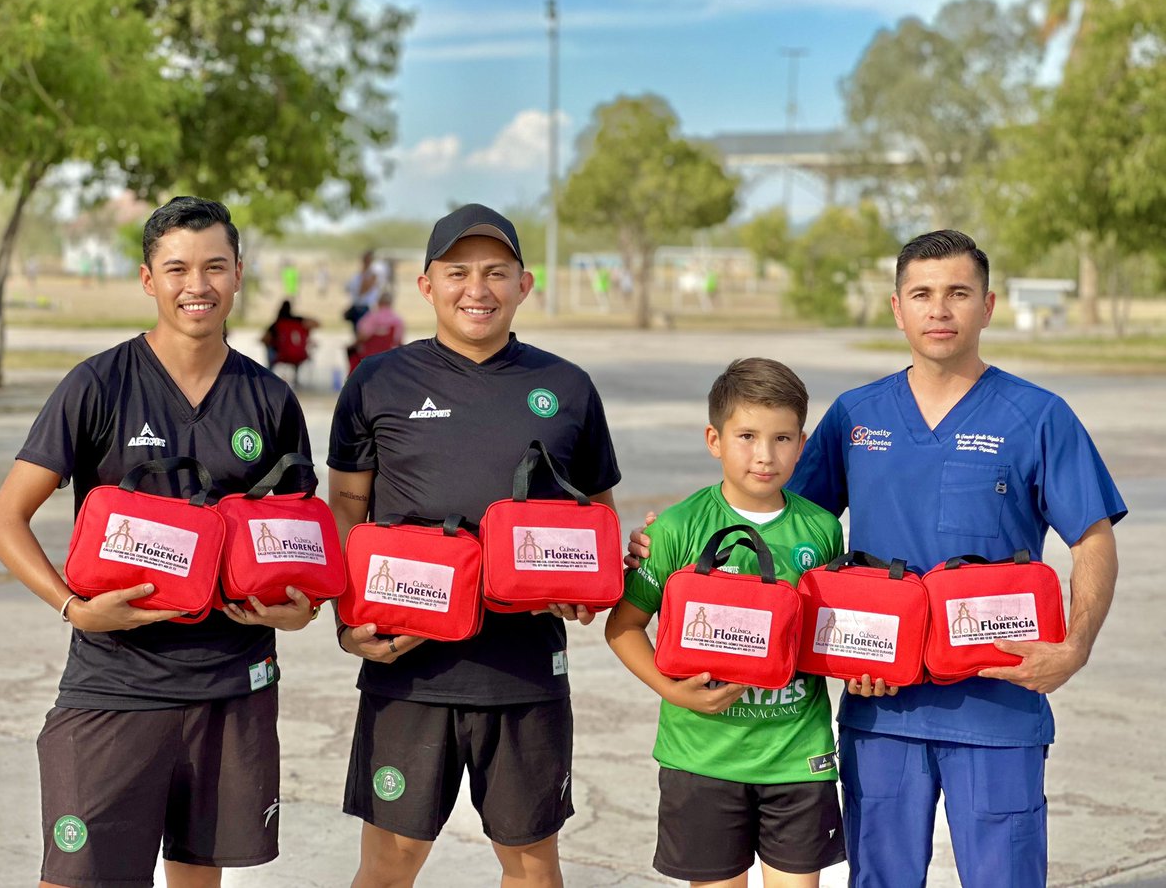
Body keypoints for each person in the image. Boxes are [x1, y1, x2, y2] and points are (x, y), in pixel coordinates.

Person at [628, 230, 1126, 888]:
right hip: (879, 707)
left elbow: (1092, 537)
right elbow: (770, 515)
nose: (939, 309)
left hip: (998, 708)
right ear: (897, 308)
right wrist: (670, 535)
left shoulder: (1037, 416)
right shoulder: (857, 416)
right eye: (922, 294)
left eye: (958, 293)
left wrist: (1076, 646)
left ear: (988, 305)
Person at [0, 196, 321, 888]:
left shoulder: (270, 400)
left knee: (199, 878)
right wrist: (73, 607)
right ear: (148, 280)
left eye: (214, 267)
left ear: (238, 275)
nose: (196, 285)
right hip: (115, 683)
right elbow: (2, 521)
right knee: (77, 879)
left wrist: (300, 610)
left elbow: (296, 546)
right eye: (177, 269)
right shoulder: (98, 384)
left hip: (233, 686)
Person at [327, 203, 621, 888]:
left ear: (525, 283)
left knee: (531, 867)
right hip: (408, 670)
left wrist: (590, 592)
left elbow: (597, 518)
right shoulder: (378, 381)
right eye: (457, 272)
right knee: (388, 865)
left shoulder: (568, 388)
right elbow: (345, 506)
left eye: (496, 272)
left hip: (523, 671)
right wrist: (350, 622)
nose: (477, 289)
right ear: (427, 286)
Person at [606, 357, 846, 888]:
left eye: (782, 438)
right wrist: (676, 692)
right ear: (714, 439)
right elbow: (622, 627)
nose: (765, 455)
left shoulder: (823, 529)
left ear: (802, 443)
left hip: (796, 756)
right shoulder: (676, 529)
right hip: (701, 757)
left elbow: (822, 635)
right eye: (747, 436)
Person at [347, 291, 404, 373]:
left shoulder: (370, 317)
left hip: (368, 357)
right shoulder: (398, 320)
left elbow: (362, 337)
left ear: (378, 302)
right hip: (388, 357)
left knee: (352, 353)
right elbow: (398, 341)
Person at [262, 299, 319, 371]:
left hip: (281, 355)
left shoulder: (277, 324)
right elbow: (317, 323)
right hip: (299, 354)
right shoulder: (298, 321)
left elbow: (264, 339)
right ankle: (296, 374)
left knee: (269, 349)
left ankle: (269, 373)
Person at [344, 249, 380, 332]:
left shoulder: (372, 274)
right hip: (356, 305)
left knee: (363, 331)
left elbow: (363, 290)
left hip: (365, 307)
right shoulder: (358, 274)